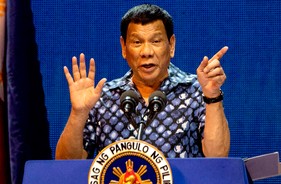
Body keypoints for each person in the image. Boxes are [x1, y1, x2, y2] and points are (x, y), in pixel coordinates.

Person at [55, 4, 230, 160]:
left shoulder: (196, 91)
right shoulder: (102, 98)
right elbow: (65, 164)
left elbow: (218, 156)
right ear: (124, 47)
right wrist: (78, 113)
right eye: (137, 42)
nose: (146, 51)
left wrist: (212, 96)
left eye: (156, 41)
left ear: (171, 45)